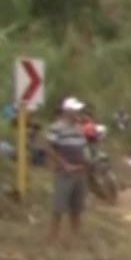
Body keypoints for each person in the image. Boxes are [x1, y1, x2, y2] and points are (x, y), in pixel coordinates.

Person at [44, 96, 91, 241]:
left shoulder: (78, 128)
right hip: (64, 173)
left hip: (79, 172)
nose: (78, 113)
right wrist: (64, 164)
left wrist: (86, 163)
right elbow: (48, 147)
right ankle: (52, 238)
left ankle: (75, 238)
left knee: (76, 209)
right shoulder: (56, 128)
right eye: (75, 110)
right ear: (67, 111)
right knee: (58, 208)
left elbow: (83, 148)